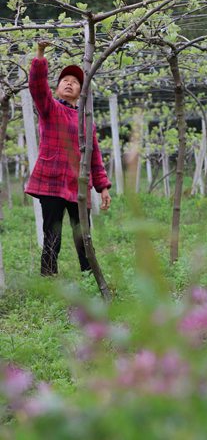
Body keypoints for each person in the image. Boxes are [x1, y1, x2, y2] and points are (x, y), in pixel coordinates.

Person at [25, 41, 112, 276]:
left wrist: (103, 187)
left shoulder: (86, 121)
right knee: (52, 233)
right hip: (51, 182)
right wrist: (40, 56)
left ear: (80, 91)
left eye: (74, 82)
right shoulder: (50, 109)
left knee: (83, 233)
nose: (69, 83)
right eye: (65, 80)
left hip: (77, 184)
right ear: (57, 87)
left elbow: (94, 158)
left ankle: (89, 275)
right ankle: (49, 277)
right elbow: (37, 88)